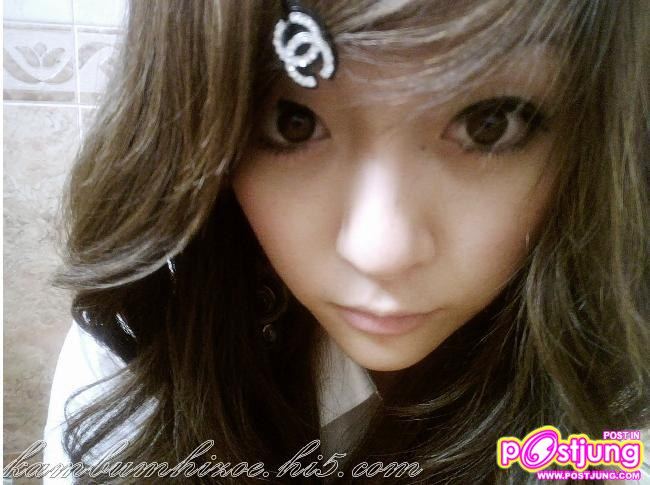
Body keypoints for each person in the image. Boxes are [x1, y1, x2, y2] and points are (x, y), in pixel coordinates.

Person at [41, 0, 649, 484]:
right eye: (292, 122)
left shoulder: (624, 380)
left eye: (489, 125)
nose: (380, 253)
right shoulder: (145, 349)